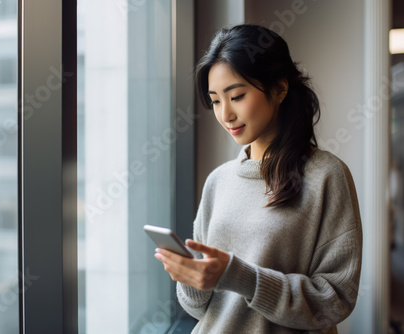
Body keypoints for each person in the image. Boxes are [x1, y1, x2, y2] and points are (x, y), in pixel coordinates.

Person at [154, 24, 363, 333]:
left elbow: (335, 301)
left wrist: (239, 276)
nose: (225, 114)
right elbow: (198, 308)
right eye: (214, 100)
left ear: (279, 89)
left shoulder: (326, 176)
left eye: (236, 96)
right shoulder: (218, 181)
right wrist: (191, 279)